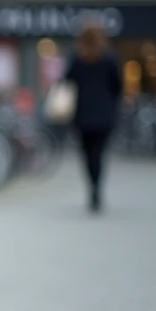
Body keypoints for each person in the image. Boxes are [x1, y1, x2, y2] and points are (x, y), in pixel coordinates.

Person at [64, 23, 122, 212]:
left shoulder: (77, 59)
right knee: (99, 154)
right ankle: (97, 188)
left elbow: (67, 82)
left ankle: (92, 187)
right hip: (104, 114)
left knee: (87, 154)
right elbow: (117, 87)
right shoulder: (109, 59)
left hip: (82, 115)